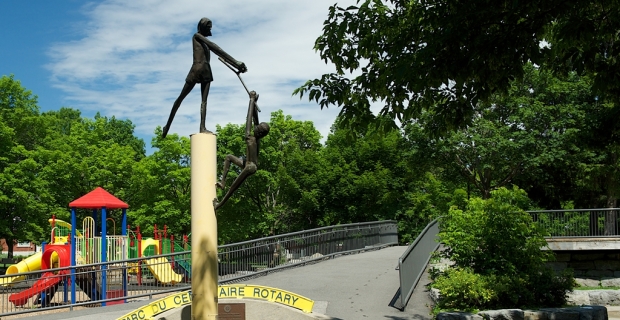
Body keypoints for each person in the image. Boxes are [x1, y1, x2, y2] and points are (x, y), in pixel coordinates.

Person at [162, 17, 247, 138]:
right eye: (208, 27)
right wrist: (236, 62)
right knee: (181, 98)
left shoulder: (205, 43)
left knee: (203, 100)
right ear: (202, 27)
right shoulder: (197, 36)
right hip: (197, 69)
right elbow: (215, 46)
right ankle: (168, 125)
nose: (209, 30)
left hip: (206, 70)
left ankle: (202, 126)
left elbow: (217, 51)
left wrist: (235, 64)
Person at [215, 91, 269, 209]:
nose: (255, 127)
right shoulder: (257, 138)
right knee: (229, 157)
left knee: (234, 186)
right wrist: (254, 103)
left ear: (259, 131)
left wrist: (250, 101)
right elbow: (255, 120)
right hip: (249, 163)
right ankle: (222, 183)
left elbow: (249, 120)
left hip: (250, 167)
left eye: (257, 128)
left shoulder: (250, 138)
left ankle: (218, 205)